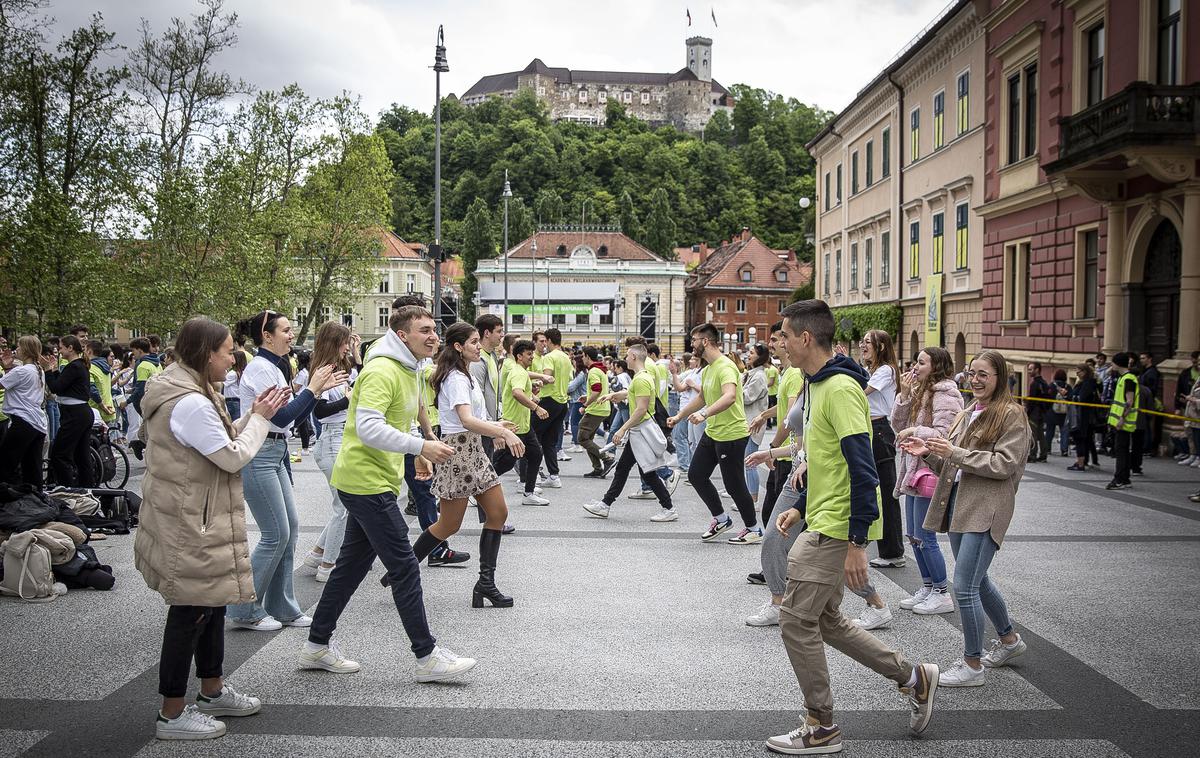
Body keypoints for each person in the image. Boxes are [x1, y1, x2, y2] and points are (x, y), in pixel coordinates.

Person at [767, 300, 938, 754]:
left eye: (784, 335)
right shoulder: (818, 383)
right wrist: (801, 504)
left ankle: (821, 726)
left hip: (837, 527)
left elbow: (864, 469)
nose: (779, 343)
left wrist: (858, 541)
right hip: (821, 518)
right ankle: (913, 676)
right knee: (826, 620)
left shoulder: (839, 388)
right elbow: (828, 461)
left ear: (805, 338)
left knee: (795, 620)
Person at [135, 316, 290, 740]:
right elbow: (232, 456)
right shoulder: (190, 401)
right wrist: (259, 418)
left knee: (212, 606)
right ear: (206, 354)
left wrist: (255, 417)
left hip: (196, 517)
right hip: (192, 524)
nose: (232, 358)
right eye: (226, 352)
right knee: (189, 613)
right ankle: (171, 714)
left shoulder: (194, 390)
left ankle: (212, 691)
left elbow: (218, 440)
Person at [302, 305, 475, 682]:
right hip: (365, 482)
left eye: (434, 329)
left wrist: (421, 445)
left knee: (350, 568)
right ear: (402, 335)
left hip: (372, 478)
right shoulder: (383, 369)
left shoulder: (408, 366)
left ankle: (316, 644)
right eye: (424, 330)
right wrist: (420, 448)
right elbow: (367, 428)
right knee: (405, 566)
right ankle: (427, 656)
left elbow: (406, 416)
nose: (433, 336)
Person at [899, 349, 1030, 687]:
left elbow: (1004, 464)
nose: (975, 380)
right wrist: (929, 454)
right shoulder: (969, 411)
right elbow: (953, 467)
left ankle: (972, 665)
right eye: (972, 373)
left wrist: (952, 451)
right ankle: (1010, 640)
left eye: (984, 374)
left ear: (1000, 378)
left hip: (987, 507)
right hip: (959, 504)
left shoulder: (1011, 414)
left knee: (965, 587)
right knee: (978, 580)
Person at [227, 311, 345, 631]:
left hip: (276, 450)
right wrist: (313, 389)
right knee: (275, 533)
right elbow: (280, 419)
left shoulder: (275, 367)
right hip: (260, 452)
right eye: (287, 330)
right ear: (267, 336)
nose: (292, 335)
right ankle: (244, 607)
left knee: (290, 530)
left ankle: (282, 607)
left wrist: (314, 390)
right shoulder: (261, 369)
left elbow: (293, 418)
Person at [416, 322, 525, 606]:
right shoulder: (455, 378)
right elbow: (464, 420)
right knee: (448, 525)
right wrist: (501, 432)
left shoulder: (467, 374)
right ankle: (402, 568)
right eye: (474, 342)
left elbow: (472, 418)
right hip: (458, 453)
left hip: (473, 450)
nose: (479, 346)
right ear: (458, 346)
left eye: (478, 341)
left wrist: (495, 425)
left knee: (498, 514)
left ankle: (485, 584)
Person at [668, 322, 761, 544]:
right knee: (696, 475)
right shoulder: (708, 369)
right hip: (714, 432)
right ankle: (721, 519)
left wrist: (705, 414)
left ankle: (754, 529)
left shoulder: (725, 367)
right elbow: (702, 397)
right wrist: (680, 416)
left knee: (734, 484)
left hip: (732, 435)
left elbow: (729, 396)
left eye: (694, 341)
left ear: (706, 341)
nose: (692, 345)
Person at [888, 346, 962, 621]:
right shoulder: (921, 391)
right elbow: (898, 425)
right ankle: (929, 585)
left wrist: (916, 430)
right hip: (913, 469)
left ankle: (942, 592)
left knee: (925, 536)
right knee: (914, 536)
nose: (915, 367)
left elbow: (945, 435)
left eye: (921, 362)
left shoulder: (947, 394)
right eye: (916, 362)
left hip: (930, 470)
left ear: (937, 366)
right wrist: (904, 397)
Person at [582, 342, 677, 522]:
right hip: (639, 431)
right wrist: (614, 395)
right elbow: (634, 394)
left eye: (627, 356)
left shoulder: (641, 379)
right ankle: (606, 504)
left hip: (639, 430)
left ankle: (668, 507)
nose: (625, 359)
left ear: (633, 357)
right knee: (628, 469)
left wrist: (622, 429)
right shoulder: (642, 376)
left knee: (643, 471)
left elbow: (641, 409)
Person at [302, 322, 357, 583]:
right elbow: (319, 411)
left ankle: (318, 554)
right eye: (345, 342)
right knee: (343, 506)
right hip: (333, 438)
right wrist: (349, 399)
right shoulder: (322, 370)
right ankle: (328, 565)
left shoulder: (336, 369)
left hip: (339, 438)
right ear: (335, 343)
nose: (348, 346)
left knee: (343, 504)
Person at [468, 314, 516, 535]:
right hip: (483, 426)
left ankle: (488, 516)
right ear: (486, 333)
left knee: (481, 472)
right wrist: (494, 429)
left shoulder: (491, 357)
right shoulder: (479, 361)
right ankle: (492, 519)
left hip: (489, 423)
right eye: (499, 331)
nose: (502, 335)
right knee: (485, 473)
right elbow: (476, 396)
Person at [860, 329, 904, 570]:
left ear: (881, 347)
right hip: (870, 430)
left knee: (887, 493)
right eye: (863, 341)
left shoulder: (886, 371)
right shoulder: (871, 370)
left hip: (879, 432)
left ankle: (893, 551)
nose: (863, 346)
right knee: (870, 488)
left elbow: (863, 391)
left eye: (868, 342)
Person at [493, 339, 550, 504]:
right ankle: (479, 487)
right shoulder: (518, 372)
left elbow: (520, 392)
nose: (532, 357)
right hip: (514, 426)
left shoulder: (522, 372)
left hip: (524, 426)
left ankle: (528, 494)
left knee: (535, 455)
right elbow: (517, 393)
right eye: (529, 354)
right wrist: (536, 408)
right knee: (505, 463)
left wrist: (532, 394)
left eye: (532, 353)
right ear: (519, 356)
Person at [0, 336, 53, 486]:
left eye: (18, 346)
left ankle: (8, 498)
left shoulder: (21, 371)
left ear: (26, 350)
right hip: (37, 423)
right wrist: (7, 368)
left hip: (22, 422)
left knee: (6, 463)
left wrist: (6, 367)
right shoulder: (38, 370)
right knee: (32, 466)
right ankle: (35, 498)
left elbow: (1, 384)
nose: (16, 349)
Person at [44, 335, 95, 487]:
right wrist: (53, 371)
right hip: (81, 413)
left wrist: (47, 370)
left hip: (75, 414)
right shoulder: (79, 365)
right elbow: (64, 383)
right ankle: (87, 488)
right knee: (81, 455)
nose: (59, 351)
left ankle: (68, 489)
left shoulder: (74, 366)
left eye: (60, 348)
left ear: (70, 348)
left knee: (59, 454)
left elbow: (56, 388)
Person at [531, 328, 572, 489]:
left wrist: (536, 381)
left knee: (531, 437)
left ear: (548, 340)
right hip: (562, 402)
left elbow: (547, 377)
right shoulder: (566, 358)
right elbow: (568, 378)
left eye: (544, 341)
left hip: (548, 400)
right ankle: (554, 476)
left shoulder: (549, 357)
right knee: (550, 441)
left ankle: (531, 476)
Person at [741, 344, 772, 505]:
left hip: (753, 423)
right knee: (747, 461)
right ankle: (749, 495)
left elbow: (747, 397)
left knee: (750, 462)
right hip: (747, 423)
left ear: (760, 356)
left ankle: (752, 499)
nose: (748, 355)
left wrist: (732, 392)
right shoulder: (750, 374)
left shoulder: (759, 376)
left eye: (751, 353)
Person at [1105, 352, 1140, 491]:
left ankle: (1120, 479)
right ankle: (1124, 478)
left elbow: (1129, 402)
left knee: (1121, 451)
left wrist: (1121, 419)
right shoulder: (1124, 378)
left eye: (1113, 362)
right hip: (1121, 422)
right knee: (1122, 450)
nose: (1111, 365)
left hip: (1124, 422)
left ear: (1118, 364)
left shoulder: (1128, 379)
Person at [577, 346, 614, 477]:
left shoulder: (593, 371)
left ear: (587, 356)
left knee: (582, 438)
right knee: (588, 439)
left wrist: (585, 404)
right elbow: (599, 390)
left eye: (582, 356)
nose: (582, 359)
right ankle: (597, 468)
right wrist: (587, 397)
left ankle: (607, 459)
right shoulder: (600, 370)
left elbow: (597, 390)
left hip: (595, 409)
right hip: (603, 408)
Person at [668, 353, 700, 472]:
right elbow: (679, 387)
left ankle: (688, 467)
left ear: (698, 361)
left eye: (693, 359)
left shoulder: (700, 373)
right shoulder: (691, 373)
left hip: (695, 410)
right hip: (687, 409)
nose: (689, 361)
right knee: (690, 440)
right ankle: (691, 468)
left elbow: (706, 392)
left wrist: (693, 385)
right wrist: (674, 373)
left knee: (683, 437)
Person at [1068, 363, 1102, 471]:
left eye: (1079, 371)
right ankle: (1083, 461)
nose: (1077, 373)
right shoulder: (1086, 382)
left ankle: (1081, 463)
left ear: (1085, 372)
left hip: (1083, 415)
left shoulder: (1087, 383)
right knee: (1086, 439)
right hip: (1083, 415)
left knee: (1080, 437)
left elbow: (1081, 398)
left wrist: (1071, 396)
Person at [1025, 363, 1053, 462]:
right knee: (1041, 434)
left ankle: (1032, 455)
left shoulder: (1035, 384)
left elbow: (1032, 401)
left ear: (1037, 370)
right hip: (1042, 411)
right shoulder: (1044, 383)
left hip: (1035, 412)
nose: (1029, 372)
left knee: (1033, 434)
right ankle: (1043, 454)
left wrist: (1028, 412)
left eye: (1030, 369)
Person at [1044, 369, 1070, 457]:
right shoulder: (1068, 386)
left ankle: (1047, 449)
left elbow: (1048, 397)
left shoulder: (1052, 385)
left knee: (1049, 431)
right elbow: (1070, 397)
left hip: (1052, 412)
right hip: (1064, 413)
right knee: (1064, 432)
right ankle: (1064, 450)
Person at [565, 352, 588, 453]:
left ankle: (577, 444)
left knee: (574, 422)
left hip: (578, 400)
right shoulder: (582, 373)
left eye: (574, 361)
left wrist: (562, 387)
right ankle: (578, 443)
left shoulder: (581, 374)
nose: (572, 362)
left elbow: (571, 387)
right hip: (579, 399)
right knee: (579, 423)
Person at [223, 350, 247, 421]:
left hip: (231, 401)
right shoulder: (241, 372)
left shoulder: (232, 374)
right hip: (237, 401)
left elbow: (222, 382)